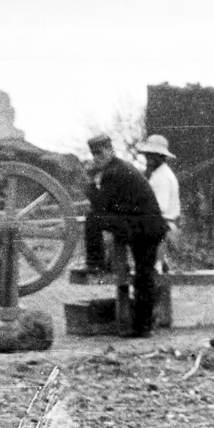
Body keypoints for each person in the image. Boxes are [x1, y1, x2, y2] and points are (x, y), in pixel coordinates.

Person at [83, 134, 168, 338]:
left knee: (143, 276)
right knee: (143, 275)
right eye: (94, 153)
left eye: (100, 152)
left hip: (145, 227)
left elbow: (101, 205)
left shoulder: (114, 172)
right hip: (142, 224)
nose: (97, 157)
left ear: (110, 150)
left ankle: (95, 262)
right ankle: (142, 327)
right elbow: (110, 205)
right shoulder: (117, 168)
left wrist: (89, 181)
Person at [138, 134, 180, 271]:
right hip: (157, 222)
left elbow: (160, 207)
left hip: (162, 224)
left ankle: (156, 265)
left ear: (161, 157)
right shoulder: (156, 174)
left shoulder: (162, 177)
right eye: (148, 155)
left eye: (153, 155)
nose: (149, 159)